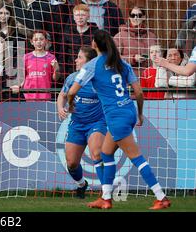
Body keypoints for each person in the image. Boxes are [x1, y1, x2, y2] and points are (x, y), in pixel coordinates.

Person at [67, 29, 170, 210]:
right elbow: (138, 92)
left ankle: (161, 197)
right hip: (128, 110)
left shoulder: (92, 65)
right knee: (106, 153)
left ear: (94, 45)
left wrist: (70, 104)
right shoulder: (121, 63)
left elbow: (72, 91)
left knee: (136, 157)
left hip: (116, 117)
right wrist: (139, 114)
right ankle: (105, 198)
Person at [57, 46, 106, 198]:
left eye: (79, 57)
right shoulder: (72, 78)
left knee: (96, 153)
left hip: (97, 122)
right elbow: (62, 95)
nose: (76, 60)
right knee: (71, 163)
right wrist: (60, 108)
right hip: (77, 124)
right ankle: (81, 185)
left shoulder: (100, 80)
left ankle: (106, 192)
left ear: (89, 63)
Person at [11, 31, 60, 101]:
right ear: (31, 42)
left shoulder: (51, 57)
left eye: (41, 39)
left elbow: (55, 78)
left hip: (45, 95)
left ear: (46, 41)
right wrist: (18, 85)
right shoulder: (26, 57)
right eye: (36, 40)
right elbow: (21, 76)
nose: (39, 42)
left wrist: (57, 69)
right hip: (28, 95)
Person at [114, 7, 158, 76]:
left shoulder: (152, 36)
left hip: (149, 76)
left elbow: (158, 56)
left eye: (139, 15)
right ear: (129, 18)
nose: (135, 18)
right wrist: (133, 58)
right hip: (128, 76)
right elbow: (114, 57)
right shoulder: (120, 36)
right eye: (132, 15)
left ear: (144, 17)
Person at [62, 4, 99, 76]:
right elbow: (63, 53)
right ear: (74, 17)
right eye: (77, 15)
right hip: (71, 71)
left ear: (88, 17)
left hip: (90, 71)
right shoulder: (68, 32)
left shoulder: (96, 33)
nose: (80, 18)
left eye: (83, 15)